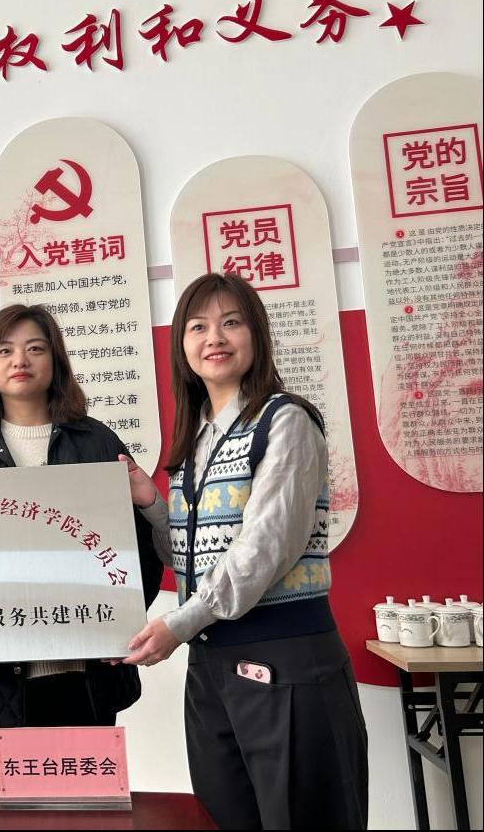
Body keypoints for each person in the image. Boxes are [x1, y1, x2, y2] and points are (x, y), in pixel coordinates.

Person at [121, 273, 368, 830]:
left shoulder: (286, 421)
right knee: (224, 816)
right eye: (198, 327)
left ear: (256, 334)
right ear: (182, 346)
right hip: (211, 665)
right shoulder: (197, 438)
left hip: (285, 657)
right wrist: (152, 504)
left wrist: (178, 624)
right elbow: (189, 558)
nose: (215, 337)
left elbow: (265, 549)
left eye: (231, 322)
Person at [0, 303, 164, 787]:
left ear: (56, 360)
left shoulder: (96, 443)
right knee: (0, 813)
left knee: (86, 808)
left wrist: (122, 622)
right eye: (5, 350)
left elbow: (138, 548)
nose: (20, 360)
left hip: (82, 677)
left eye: (35, 348)